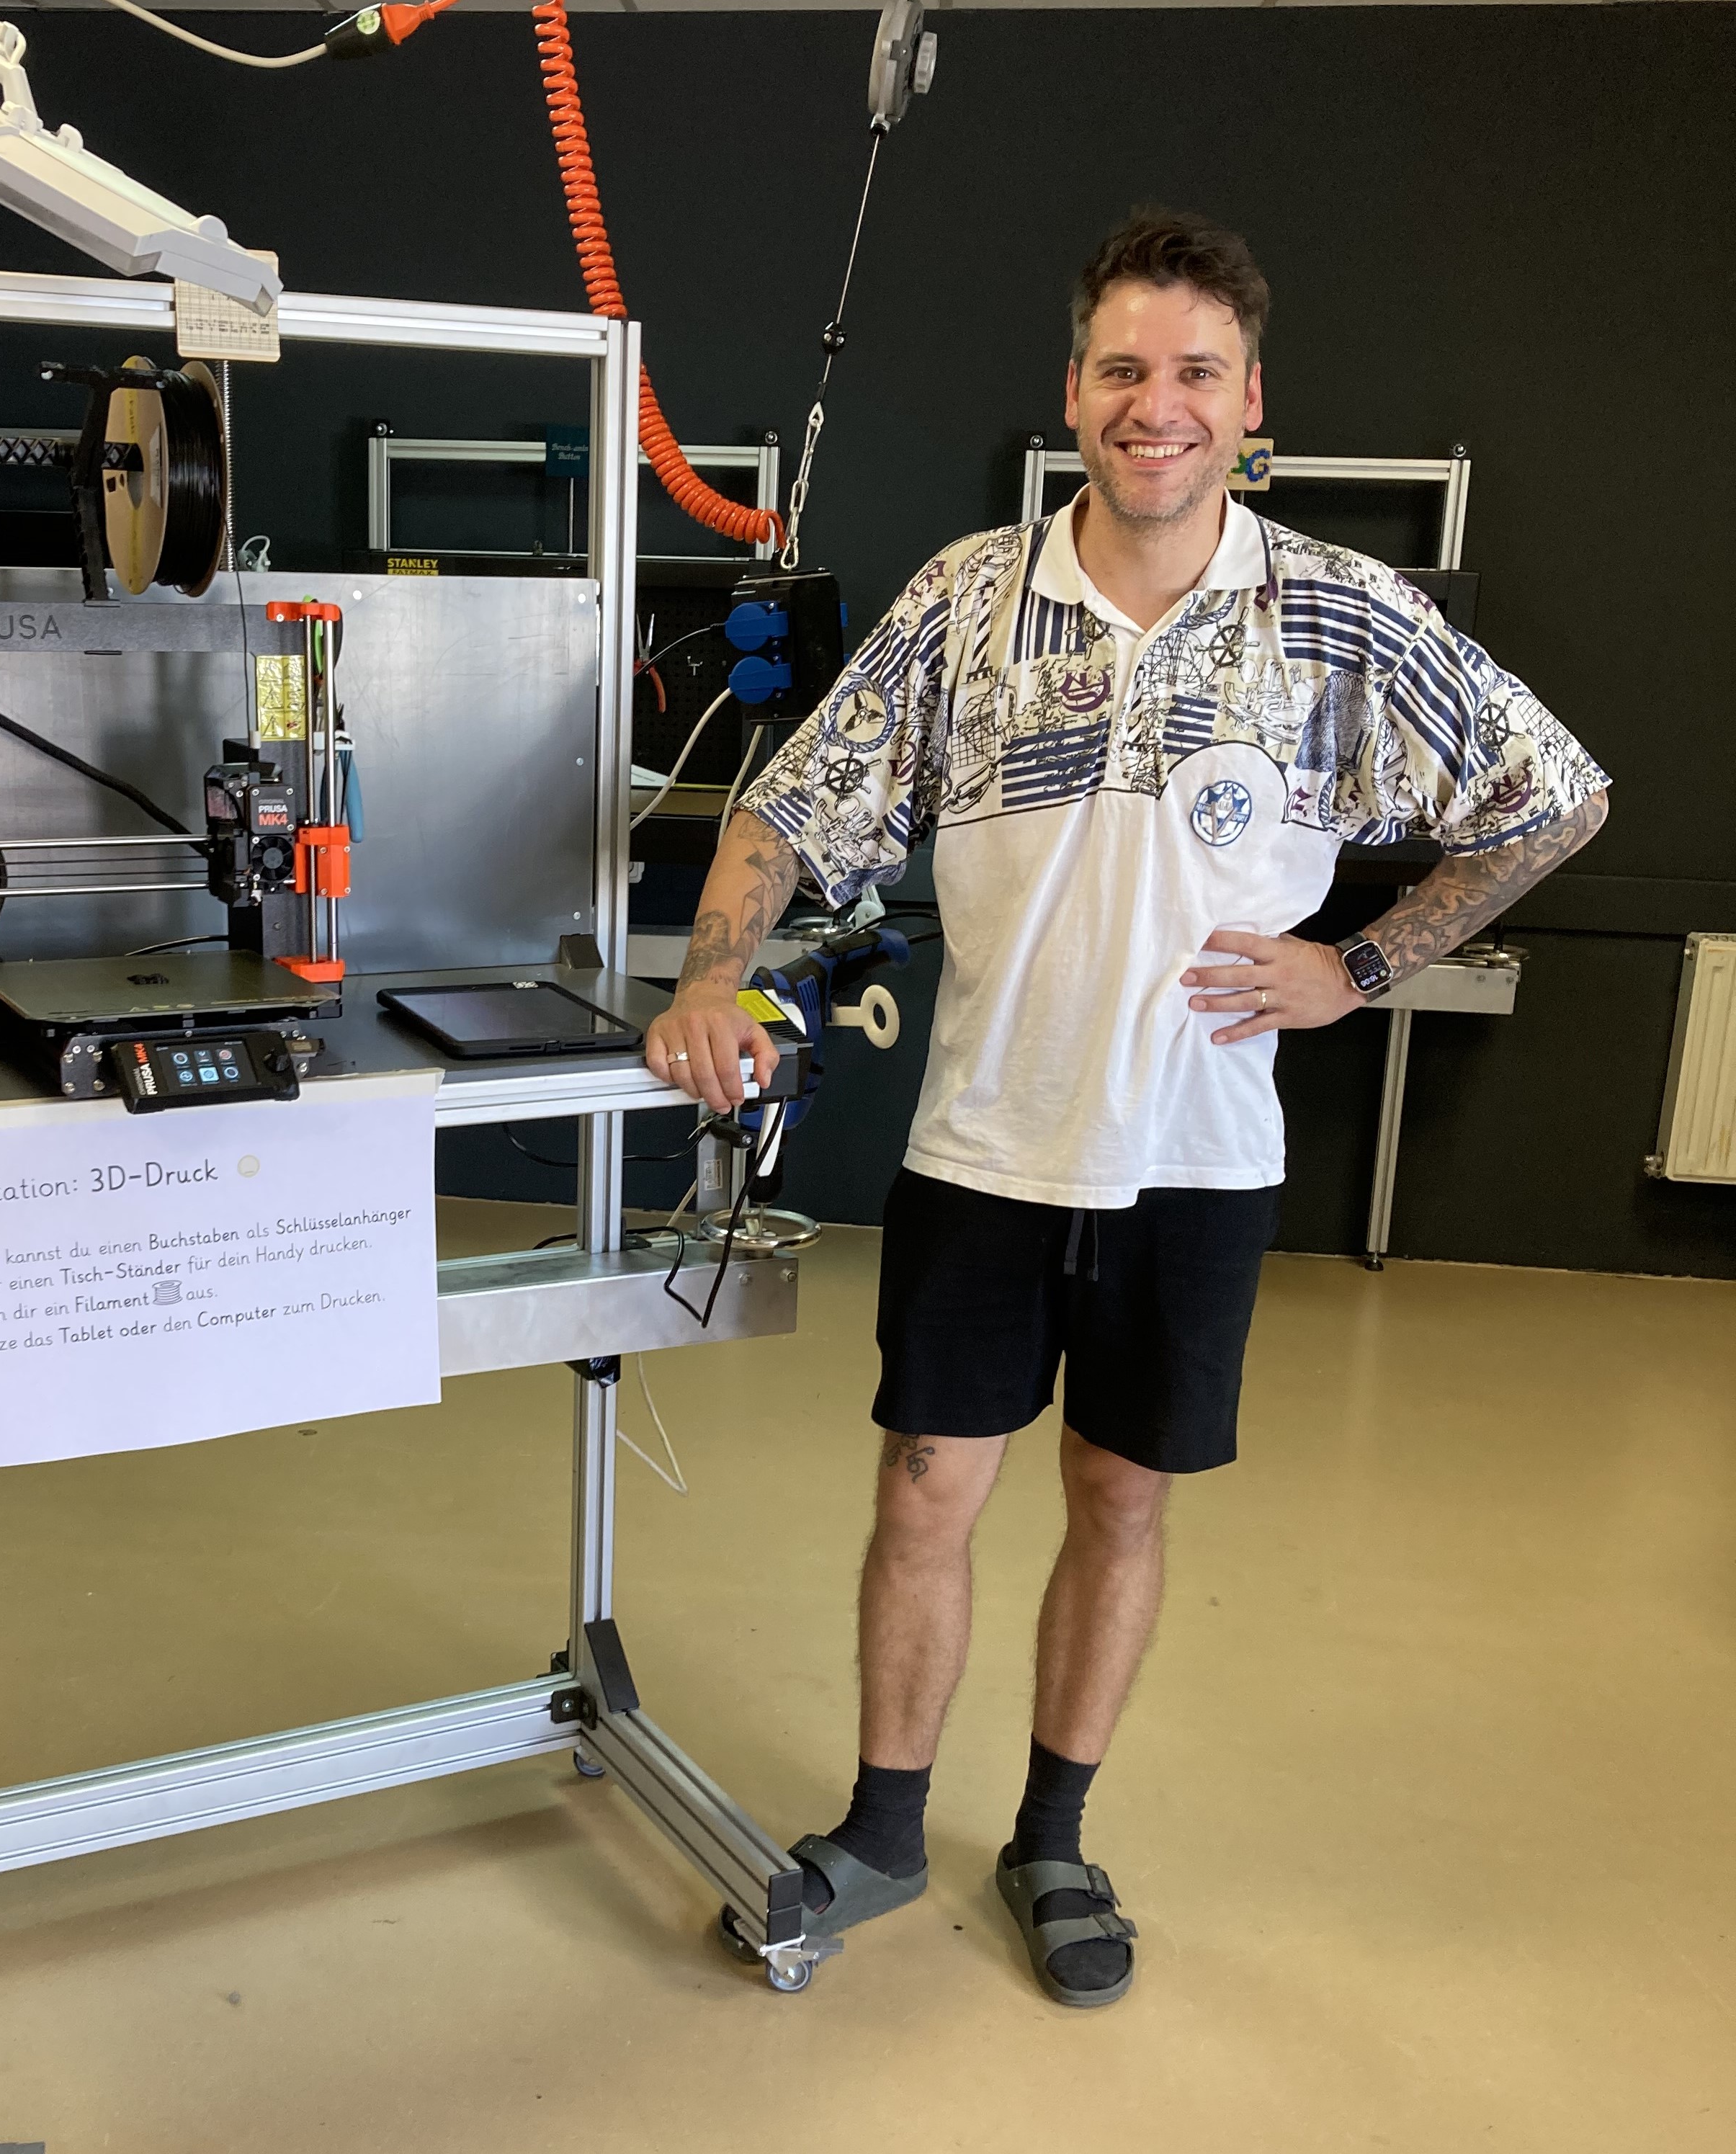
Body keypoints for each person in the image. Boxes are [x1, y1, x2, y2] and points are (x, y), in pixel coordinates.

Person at [644, 208, 1609, 2008]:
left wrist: (1361, 965)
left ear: (1251, 402)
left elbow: (1554, 796)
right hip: (986, 1142)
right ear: (1073, 391)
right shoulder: (967, 599)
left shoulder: (1339, 614)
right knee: (928, 1489)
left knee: (1121, 1496)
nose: (1156, 404)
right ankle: (882, 1825)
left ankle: (1053, 1838)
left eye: (1194, 373)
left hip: (1198, 1159)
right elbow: (789, 804)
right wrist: (712, 974)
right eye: (1122, 369)